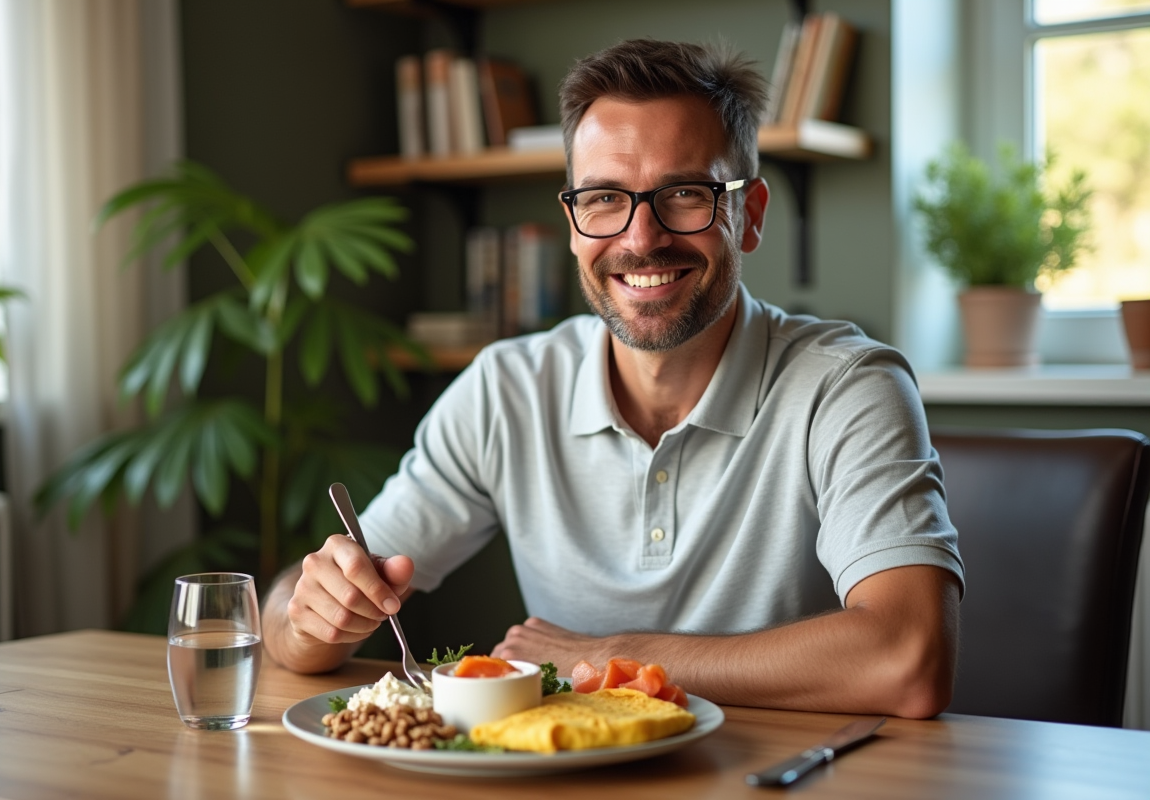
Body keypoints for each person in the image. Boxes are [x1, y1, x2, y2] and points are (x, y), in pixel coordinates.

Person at [264, 38, 964, 718]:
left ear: (747, 216)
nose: (640, 238)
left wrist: (607, 656)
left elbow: (909, 660)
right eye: (603, 198)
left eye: (684, 193)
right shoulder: (505, 389)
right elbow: (294, 626)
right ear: (573, 224)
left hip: (789, 772)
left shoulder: (848, 386)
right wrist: (313, 614)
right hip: (565, 769)